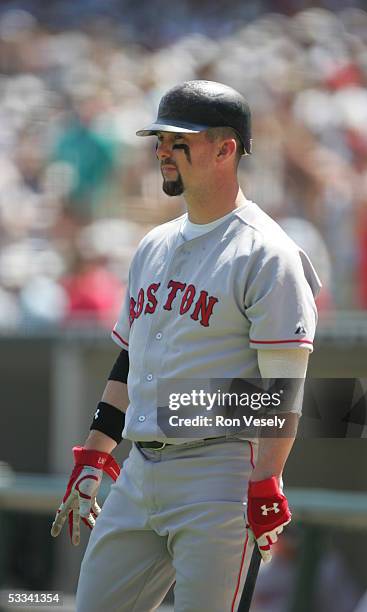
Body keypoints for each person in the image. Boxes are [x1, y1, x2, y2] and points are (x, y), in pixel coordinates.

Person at [50, 80, 321, 612]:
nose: (163, 151)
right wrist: (94, 456)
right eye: (161, 139)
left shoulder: (268, 253)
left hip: (217, 473)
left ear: (226, 149)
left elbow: (282, 388)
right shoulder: (153, 244)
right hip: (139, 469)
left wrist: (266, 480)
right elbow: (131, 360)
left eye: (180, 140)